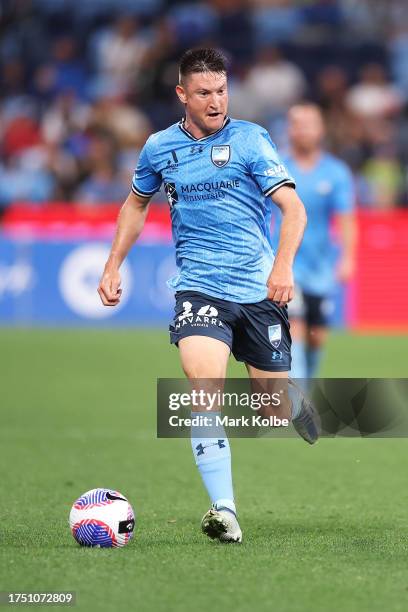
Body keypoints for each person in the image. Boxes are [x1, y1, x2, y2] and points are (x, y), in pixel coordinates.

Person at [98, 48, 319, 544]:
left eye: (221, 90)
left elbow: (294, 209)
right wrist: (113, 263)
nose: (216, 101)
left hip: (259, 290)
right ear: (182, 94)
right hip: (200, 287)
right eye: (204, 92)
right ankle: (224, 510)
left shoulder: (251, 140)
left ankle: (294, 404)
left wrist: (282, 267)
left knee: (272, 407)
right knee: (204, 390)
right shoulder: (159, 148)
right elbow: (135, 205)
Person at [272, 103, 356, 380]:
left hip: (320, 267)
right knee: (293, 325)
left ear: (320, 130)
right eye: (297, 124)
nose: (303, 130)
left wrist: (348, 257)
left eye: (309, 124)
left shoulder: (336, 173)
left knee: (316, 335)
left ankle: (306, 379)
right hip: (284, 262)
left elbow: (346, 219)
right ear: (289, 129)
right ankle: (298, 394)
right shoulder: (276, 167)